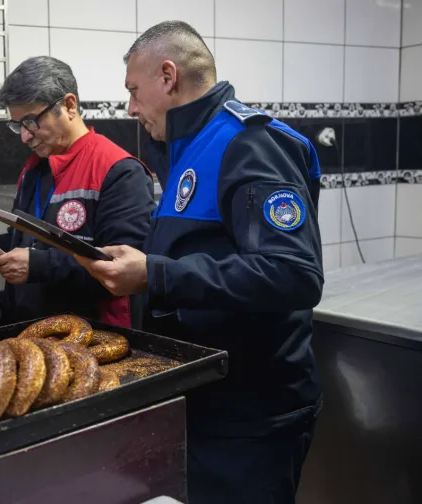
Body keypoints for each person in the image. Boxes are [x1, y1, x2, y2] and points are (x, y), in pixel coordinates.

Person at [75, 22, 323, 503]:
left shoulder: (248, 144)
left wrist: (153, 273)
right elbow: (203, 253)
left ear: (168, 76)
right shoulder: (191, 147)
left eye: (133, 90)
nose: (130, 107)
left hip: (252, 415)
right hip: (209, 402)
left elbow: (293, 273)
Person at [0, 56, 156, 327]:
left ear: (69, 105)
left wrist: (38, 265)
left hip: (90, 339)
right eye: (17, 125)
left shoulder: (120, 172)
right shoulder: (34, 170)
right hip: (27, 333)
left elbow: (122, 268)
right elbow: (22, 242)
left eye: (31, 121)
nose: (24, 136)